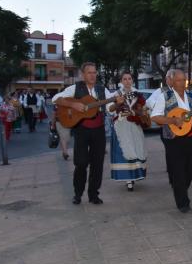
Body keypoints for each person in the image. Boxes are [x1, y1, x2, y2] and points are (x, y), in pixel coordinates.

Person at [53, 62, 124, 205]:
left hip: (98, 130)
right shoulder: (75, 88)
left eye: (94, 72)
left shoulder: (101, 89)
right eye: (89, 72)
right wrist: (73, 104)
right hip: (82, 130)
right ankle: (77, 194)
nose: (93, 75)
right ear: (83, 75)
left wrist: (117, 103)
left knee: (97, 164)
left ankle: (93, 194)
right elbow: (56, 99)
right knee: (81, 163)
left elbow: (110, 107)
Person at [151, 69, 192, 213]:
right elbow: (155, 117)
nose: (182, 83)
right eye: (179, 80)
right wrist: (173, 120)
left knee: (191, 168)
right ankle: (183, 202)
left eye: (184, 80)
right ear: (172, 82)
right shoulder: (165, 96)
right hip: (173, 138)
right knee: (178, 170)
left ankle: (179, 188)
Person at [108, 71, 148, 192]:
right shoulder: (116, 94)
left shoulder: (137, 94)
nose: (127, 81)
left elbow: (145, 109)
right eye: (124, 79)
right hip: (121, 125)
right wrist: (117, 103)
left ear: (132, 80)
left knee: (136, 149)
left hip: (135, 125)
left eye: (129, 78)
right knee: (125, 151)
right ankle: (128, 179)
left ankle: (135, 176)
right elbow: (109, 109)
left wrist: (141, 113)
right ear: (121, 81)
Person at [147, 71, 175, 184]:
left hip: (182, 127)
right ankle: (172, 176)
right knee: (171, 152)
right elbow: (148, 101)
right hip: (166, 127)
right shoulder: (161, 91)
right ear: (167, 79)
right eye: (171, 78)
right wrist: (161, 109)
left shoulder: (183, 91)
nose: (173, 81)